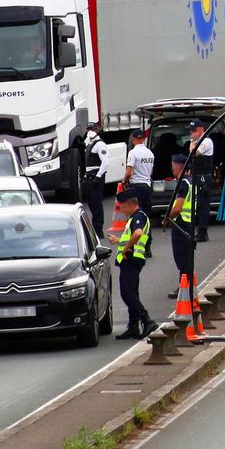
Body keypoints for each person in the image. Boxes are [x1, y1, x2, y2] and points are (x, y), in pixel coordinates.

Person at [113, 192, 154, 340]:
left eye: (123, 207)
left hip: (131, 260)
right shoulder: (135, 217)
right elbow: (132, 237)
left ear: (131, 204)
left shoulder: (138, 217)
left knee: (127, 293)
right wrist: (119, 241)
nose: (121, 210)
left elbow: (137, 234)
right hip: (133, 259)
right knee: (132, 293)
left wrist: (125, 248)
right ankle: (133, 326)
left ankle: (147, 321)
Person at [166, 154, 197, 299]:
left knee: (181, 256)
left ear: (178, 166)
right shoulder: (190, 181)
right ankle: (186, 284)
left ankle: (184, 286)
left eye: (172, 164)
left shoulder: (183, 183)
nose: (171, 167)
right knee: (187, 256)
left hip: (181, 223)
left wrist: (168, 217)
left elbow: (178, 207)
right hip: (189, 222)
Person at [187, 120, 215, 243]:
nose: (190, 134)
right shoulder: (198, 142)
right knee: (197, 205)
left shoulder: (206, 141)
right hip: (197, 176)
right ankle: (198, 229)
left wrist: (192, 143)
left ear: (200, 130)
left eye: (192, 131)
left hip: (204, 177)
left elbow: (195, 153)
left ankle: (203, 232)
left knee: (203, 205)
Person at [82, 123, 110, 238]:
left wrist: (98, 176)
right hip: (89, 176)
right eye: (88, 129)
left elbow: (105, 161)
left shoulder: (100, 144)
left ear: (97, 130)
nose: (89, 131)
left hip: (95, 176)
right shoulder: (89, 144)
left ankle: (98, 230)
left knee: (96, 204)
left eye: (92, 129)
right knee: (91, 204)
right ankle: (95, 227)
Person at [125, 128, 155, 208]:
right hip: (147, 187)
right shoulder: (150, 153)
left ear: (133, 139)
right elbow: (151, 172)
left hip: (136, 187)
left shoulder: (133, 153)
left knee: (137, 211)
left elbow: (128, 173)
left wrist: (125, 182)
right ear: (144, 139)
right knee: (146, 212)